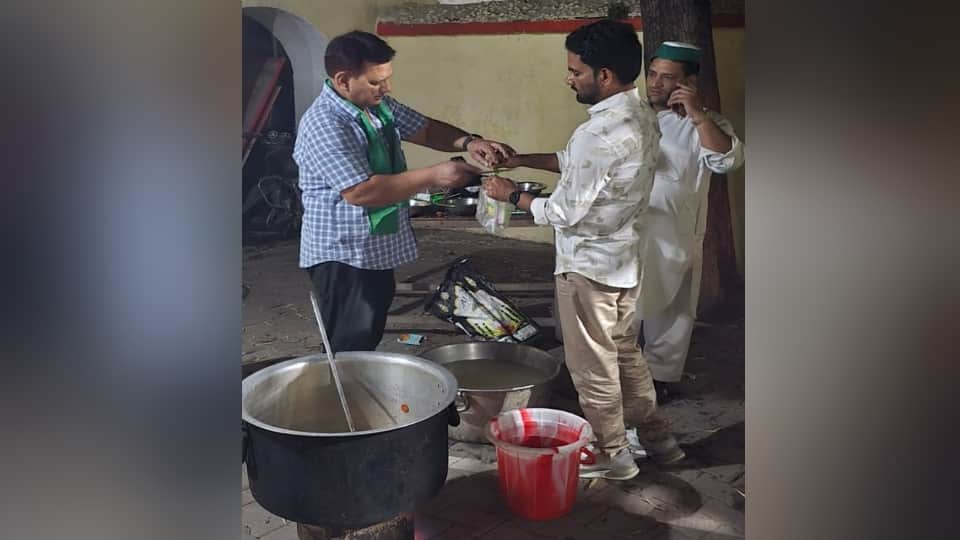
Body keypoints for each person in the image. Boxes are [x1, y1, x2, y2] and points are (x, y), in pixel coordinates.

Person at [484, 19, 685, 481]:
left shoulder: (597, 134)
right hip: (624, 264)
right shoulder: (639, 116)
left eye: (576, 70)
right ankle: (659, 440)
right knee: (627, 355)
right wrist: (524, 158)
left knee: (592, 369)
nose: (569, 77)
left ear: (605, 75)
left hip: (588, 269)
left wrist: (512, 194)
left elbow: (564, 212)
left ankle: (614, 455)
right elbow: (580, 163)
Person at [292, 30, 515, 354]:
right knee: (349, 345)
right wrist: (435, 175)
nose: (386, 88)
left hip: (374, 246)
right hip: (344, 253)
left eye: (387, 78)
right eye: (376, 81)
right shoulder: (326, 124)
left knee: (368, 331)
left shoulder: (375, 106)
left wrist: (470, 142)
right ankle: (341, 399)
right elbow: (361, 191)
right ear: (342, 80)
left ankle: (357, 390)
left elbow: (424, 128)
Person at [632, 41, 745, 400]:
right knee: (622, 308)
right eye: (652, 74)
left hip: (674, 233)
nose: (656, 84)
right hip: (628, 230)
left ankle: (660, 378)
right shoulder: (632, 114)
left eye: (668, 78)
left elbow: (728, 161)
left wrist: (697, 115)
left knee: (671, 309)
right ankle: (614, 379)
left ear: (689, 83)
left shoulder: (705, 124)